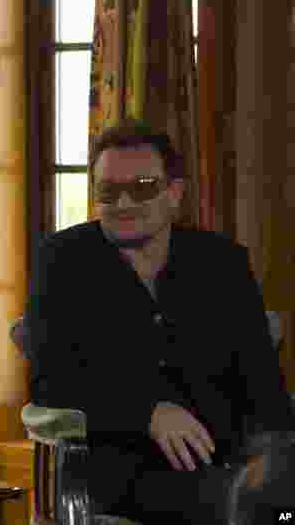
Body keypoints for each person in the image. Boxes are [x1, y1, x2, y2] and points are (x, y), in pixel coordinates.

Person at [25, 119, 295, 524]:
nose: (123, 203)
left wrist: (270, 454)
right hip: (122, 470)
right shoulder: (61, 261)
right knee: (248, 506)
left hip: (233, 459)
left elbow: (262, 381)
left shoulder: (222, 262)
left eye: (142, 187)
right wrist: (147, 412)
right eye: (108, 191)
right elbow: (51, 381)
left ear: (174, 193)